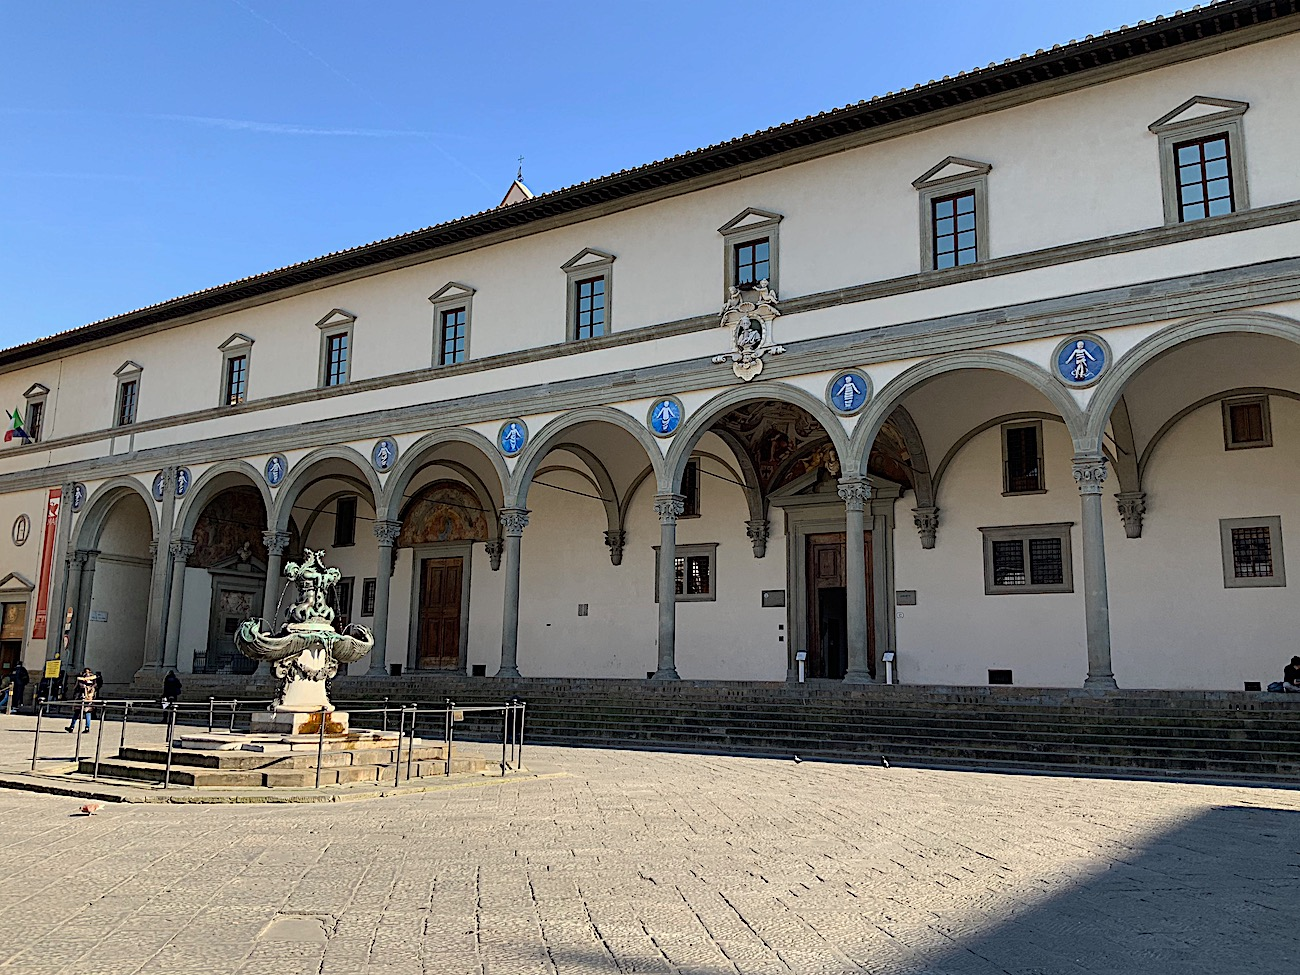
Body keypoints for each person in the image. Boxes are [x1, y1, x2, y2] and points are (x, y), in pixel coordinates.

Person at [65, 667, 95, 733]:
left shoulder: (84, 681)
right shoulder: (91, 681)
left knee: (79, 713)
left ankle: (73, 727)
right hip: (88, 699)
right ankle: (85, 727)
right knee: (85, 713)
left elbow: (76, 688)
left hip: (83, 699)